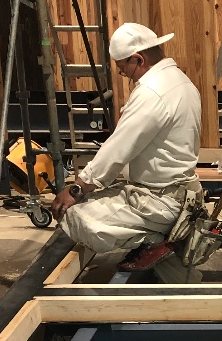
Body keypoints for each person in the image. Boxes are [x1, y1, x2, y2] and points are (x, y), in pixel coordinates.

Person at [52, 22, 202, 271]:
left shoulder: (153, 92)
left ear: (138, 59)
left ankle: (157, 240)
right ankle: (158, 235)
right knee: (95, 199)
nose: (126, 76)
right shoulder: (181, 81)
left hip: (159, 201)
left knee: (74, 216)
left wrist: (77, 188)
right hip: (179, 193)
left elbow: (117, 150)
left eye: (124, 70)